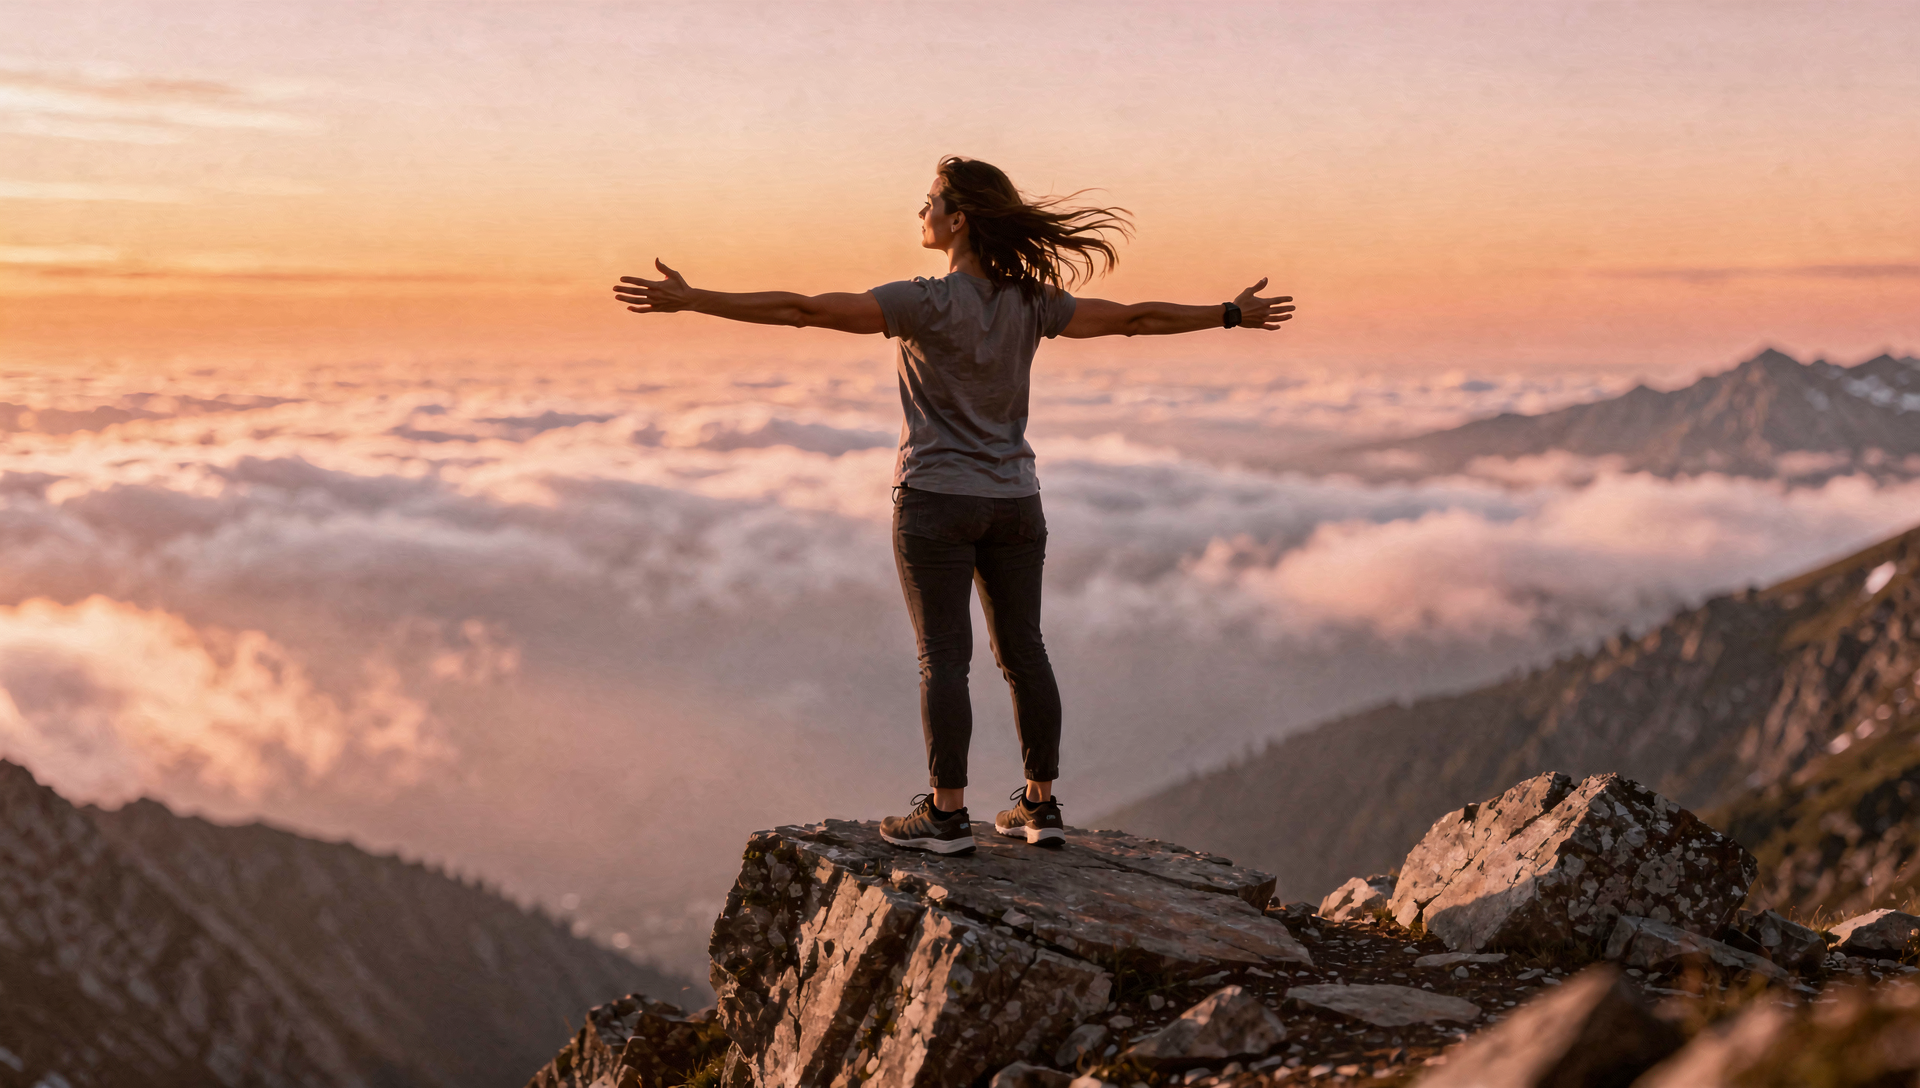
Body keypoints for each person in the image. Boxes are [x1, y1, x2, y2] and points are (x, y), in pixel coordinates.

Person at [612, 156, 1294, 856]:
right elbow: (1134, 319)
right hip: (1016, 503)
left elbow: (804, 311)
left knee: (945, 658)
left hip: (937, 499)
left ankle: (945, 817)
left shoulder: (923, 301)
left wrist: (695, 299)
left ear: (959, 218)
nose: (921, 212)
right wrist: (1231, 314)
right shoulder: (1033, 302)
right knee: (1024, 650)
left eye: (930, 201)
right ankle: (1041, 805)